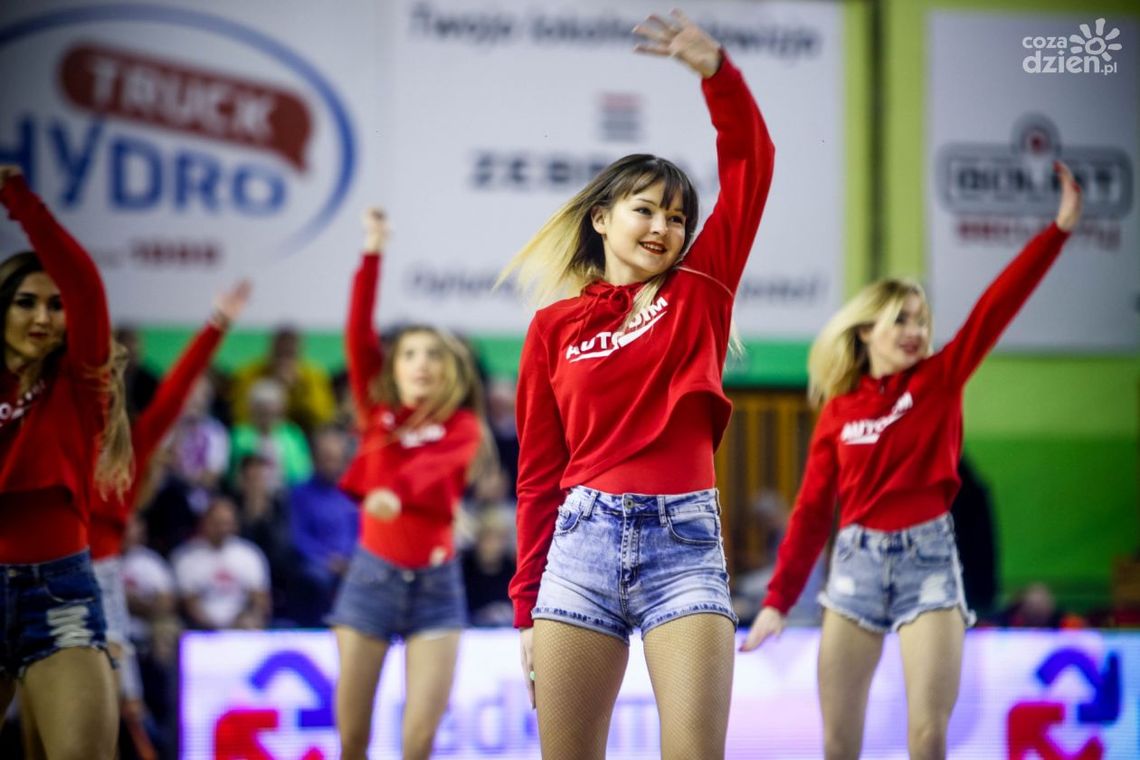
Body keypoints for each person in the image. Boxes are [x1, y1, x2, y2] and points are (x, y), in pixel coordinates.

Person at [500, 12, 775, 758]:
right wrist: (525, 608)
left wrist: (719, 73)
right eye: (646, 209)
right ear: (602, 218)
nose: (663, 227)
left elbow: (753, 162)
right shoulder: (553, 327)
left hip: (684, 545)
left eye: (678, 217)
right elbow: (536, 478)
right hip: (578, 550)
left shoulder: (700, 293)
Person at [741, 162, 1083, 759]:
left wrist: (1056, 231)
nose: (915, 330)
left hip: (929, 563)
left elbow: (994, 308)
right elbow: (812, 511)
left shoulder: (941, 379)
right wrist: (776, 601)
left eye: (922, 321)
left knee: (928, 736)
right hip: (854, 568)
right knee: (838, 743)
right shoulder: (840, 412)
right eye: (901, 319)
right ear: (866, 330)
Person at [20, 281, 249, 759]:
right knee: (33, 720)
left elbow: (176, 390)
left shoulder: (137, 446)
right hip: (35, 576)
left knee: (124, 703)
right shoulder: (49, 435)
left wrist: (217, 325)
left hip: (99, 580)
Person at [329, 207, 492, 760]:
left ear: (450, 369)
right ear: (392, 366)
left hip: (438, 589)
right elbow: (356, 331)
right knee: (352, 740)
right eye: (410, 354)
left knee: (417, 743)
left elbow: (434, 471)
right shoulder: (375, 411)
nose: (421, 364)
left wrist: (394, 494)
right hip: (370, 582)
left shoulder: (464, 426)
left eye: (433, 356)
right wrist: (372, 250)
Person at [0, 164, 131, 757]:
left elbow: (86, 286)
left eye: (54, 306)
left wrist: (21, 200)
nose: (42, 317)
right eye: (25, 302)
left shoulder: (81, 385)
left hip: (60, 598)